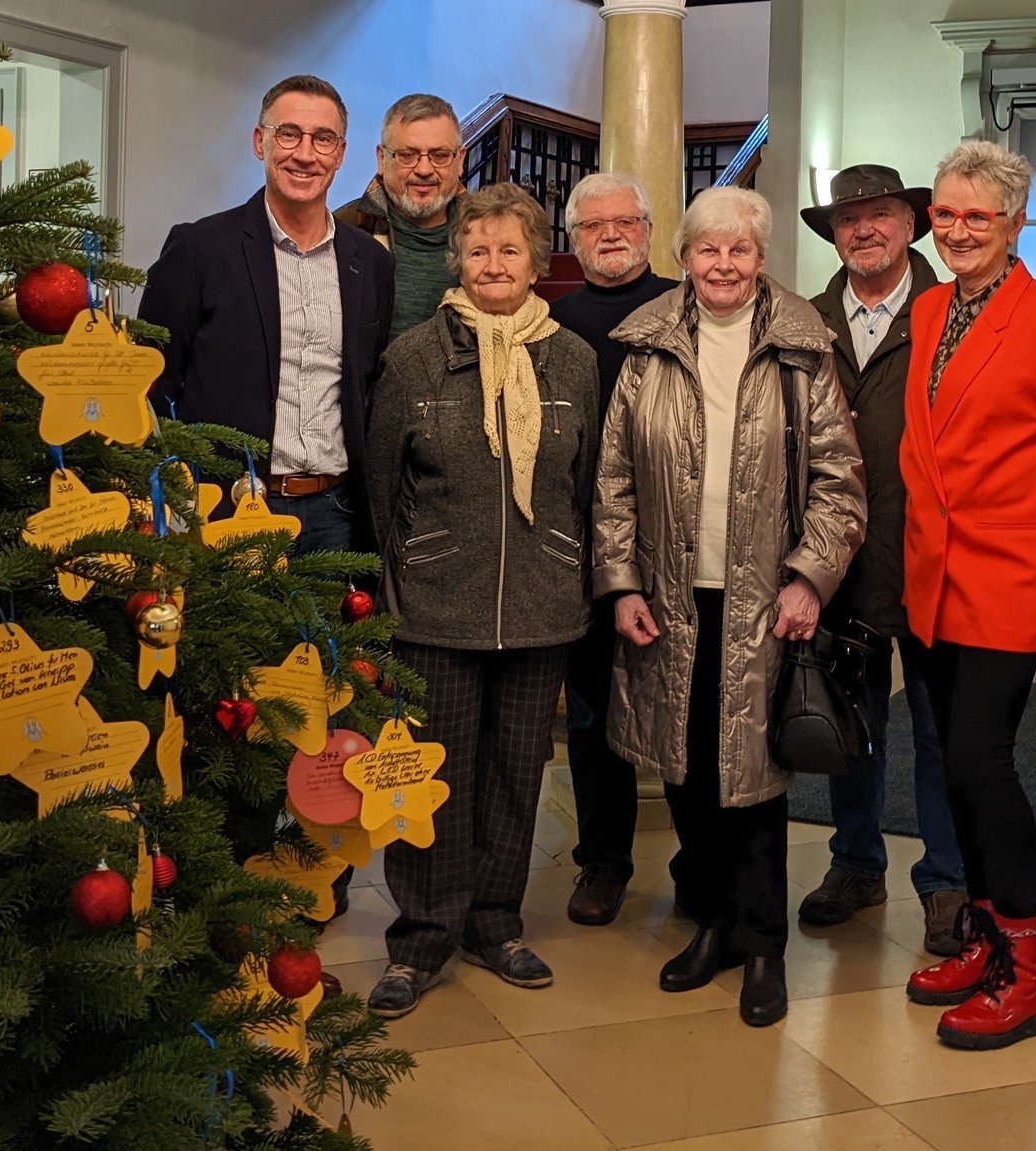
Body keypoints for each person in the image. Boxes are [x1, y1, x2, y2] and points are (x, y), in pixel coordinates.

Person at [595, 186, 866, 1027]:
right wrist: (622, 582)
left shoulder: (800, 346)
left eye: (739, 251)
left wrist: (807, 578)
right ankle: (710, 922)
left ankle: (763, 945)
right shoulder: (645, 347)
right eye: (707, 250)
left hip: (763, 600)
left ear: (761, 258)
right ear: (684, 257)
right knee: (685, 769)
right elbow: (612, 482)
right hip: (669, 600)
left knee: (752, 776)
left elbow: (840, 483)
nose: (723, 265)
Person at [897, 141, 1036, 1050]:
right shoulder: (925, 310)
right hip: (933, 573)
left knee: (984, 762)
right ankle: (985, 942)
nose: (956, 229)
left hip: (1012, 572)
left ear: (1015, 222)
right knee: (952, 764)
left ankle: (1025, 976)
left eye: (976, 216)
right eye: (945, 214)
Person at [361, 184, 601, 1019]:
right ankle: (422, 936)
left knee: (512, 777)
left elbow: (585, 479)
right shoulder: (415, 358)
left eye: (511, 251)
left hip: (541, 602)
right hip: (435, 605)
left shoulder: (573, 358)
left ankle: (495, 922)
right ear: (456, 261)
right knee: (432, 778)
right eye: (478, 250)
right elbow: (381, 487)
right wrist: (401, 582)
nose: (493, 265)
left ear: (539, 263)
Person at [798, 165, 968, 955]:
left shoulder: (952, 309)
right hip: (839, 561)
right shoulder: (804, 320)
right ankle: (855, 863)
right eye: (849, 219)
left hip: (934, 557)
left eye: (881, 215)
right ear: (833, 234)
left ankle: (946, 883)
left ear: (911, 224)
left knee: (940, 733)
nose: (864, 229)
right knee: (847, 725)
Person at [137, 75, 396, 558]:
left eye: (323, 139)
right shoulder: (199, 250)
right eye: (288, 133)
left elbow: (368, 383)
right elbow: (153, 385)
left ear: (340, 153)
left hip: (335, 514)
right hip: (227, 510)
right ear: (260, 142)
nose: (305, 154)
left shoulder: (371, 262)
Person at [547, 171, 677, 926]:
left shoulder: (685, 309)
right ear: (573, 240)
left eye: (626, 220)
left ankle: (701, 864)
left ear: (650, 229)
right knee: (592, 714)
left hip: (678, 545)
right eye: (595, 226)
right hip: (582, 544)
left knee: (687, 708)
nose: (612, 233)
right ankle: (603, 861)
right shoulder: (551, 323)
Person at [336, 94, 467, 336]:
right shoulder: (341, 230)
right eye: (407, 155)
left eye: (440, 156)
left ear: (460, 160)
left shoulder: (486, 234)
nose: (424, 170)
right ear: (381, 159)